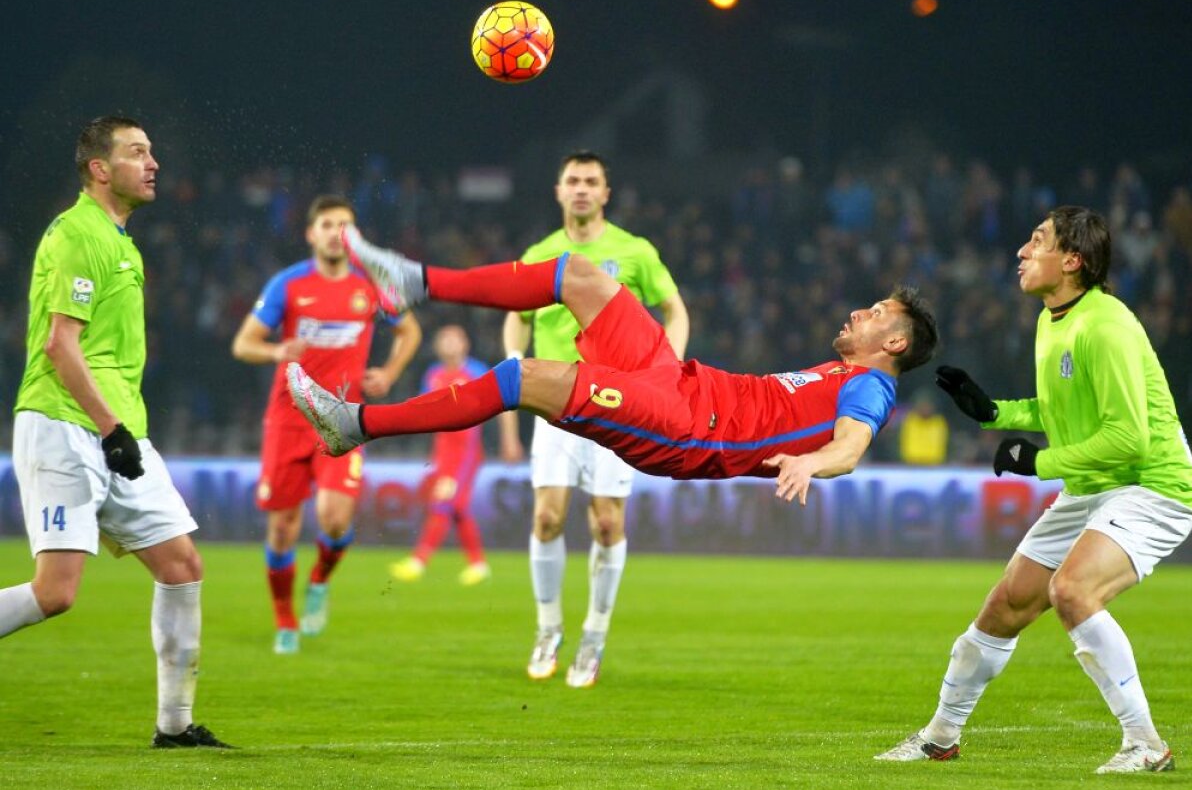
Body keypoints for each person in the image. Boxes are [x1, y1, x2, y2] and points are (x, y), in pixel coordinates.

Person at [287, 225, 937, 619]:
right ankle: (416, 282)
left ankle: (356, 424)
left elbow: (851, 448)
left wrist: (810, 462)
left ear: (895, 344)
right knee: (579, 275)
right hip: (680, 381)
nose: (862, 311)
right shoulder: (842, 371)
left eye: (878, 313)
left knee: (521, 377)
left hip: (685, 427)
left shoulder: (871, 386)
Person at [876, 207, 1192, 774]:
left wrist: (1038, 461)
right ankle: (939, 737)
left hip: (1153, 485)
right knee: (1003, 608)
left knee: (1072, 591)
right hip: (1092, 487)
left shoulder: (1107, 325)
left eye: (1037, 241)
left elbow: (1129, 437)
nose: (1022, 251)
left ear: (1072, 260)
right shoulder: (1053, 321)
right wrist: (993, 412)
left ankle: (1145, 744)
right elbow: (1061, 410)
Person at [0, 116, 231, 748]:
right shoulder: (79, 234)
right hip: (65, 424)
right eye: (137, 152)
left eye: (152, 151)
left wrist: (120, 430)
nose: (153, 163)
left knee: (181, 565)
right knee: (56, 593)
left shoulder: (120, 241)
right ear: (100, 169)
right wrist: (111, 430)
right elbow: (60, 345)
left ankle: (174, 728)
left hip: (118, 429)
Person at [496, 150, 690, 687]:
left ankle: (594, 636)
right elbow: (517, 315)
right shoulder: (541, 254)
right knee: (546, 518)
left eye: (591, 181)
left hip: (616, 403)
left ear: (606, 193)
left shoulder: (634, 252)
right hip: (555, 402)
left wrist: (667, 369)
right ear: (559, 191)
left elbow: (675, 310)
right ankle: (548, 629)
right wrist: (513, 360)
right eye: (573, 180)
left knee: (606, 523)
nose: (581, 188)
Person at [231, 195, 421, 655]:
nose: (336, 233)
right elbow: (244, 344)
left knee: (335, 522)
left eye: (345, 226)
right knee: (282, 529)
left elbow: (410, 331)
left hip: (341, 422)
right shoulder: (288, 284)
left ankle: (319, 580)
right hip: (288, 419)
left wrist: (390, 373)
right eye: (328, 225)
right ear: (310, 234)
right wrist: (277, 351)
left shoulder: (370, 284)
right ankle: (285, 620)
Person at [390, 324, 492, 586]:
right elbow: (425, 410)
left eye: (454, 339)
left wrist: (508, 439)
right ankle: (478, 564)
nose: (449, 344)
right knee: (457, 508)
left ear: (465, 344)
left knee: (443, 503)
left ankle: (419, 561)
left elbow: (495, 403)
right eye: (444, 339)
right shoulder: (433, 374)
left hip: (466, 450)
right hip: (443, 449)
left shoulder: (476, 371)